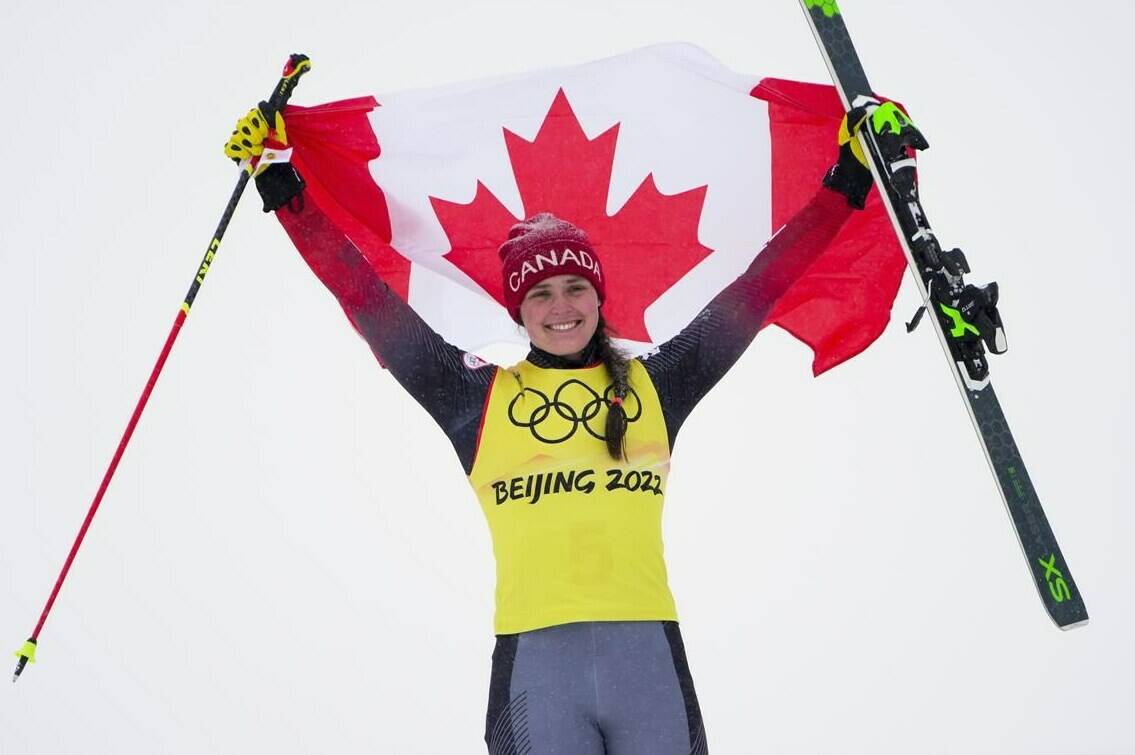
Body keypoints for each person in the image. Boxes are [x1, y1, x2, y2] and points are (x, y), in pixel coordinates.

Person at [224, 97, 905, 754]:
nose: (560, 306)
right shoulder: (474, 397)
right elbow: (362, 294)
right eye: (539, 293)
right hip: (537, 665)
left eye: (575, 286)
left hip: (647, 658)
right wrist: (281, 184)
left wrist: (845, 182)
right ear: (518, 310)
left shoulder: (655, 384)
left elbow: (759, 286)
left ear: (597, 294)